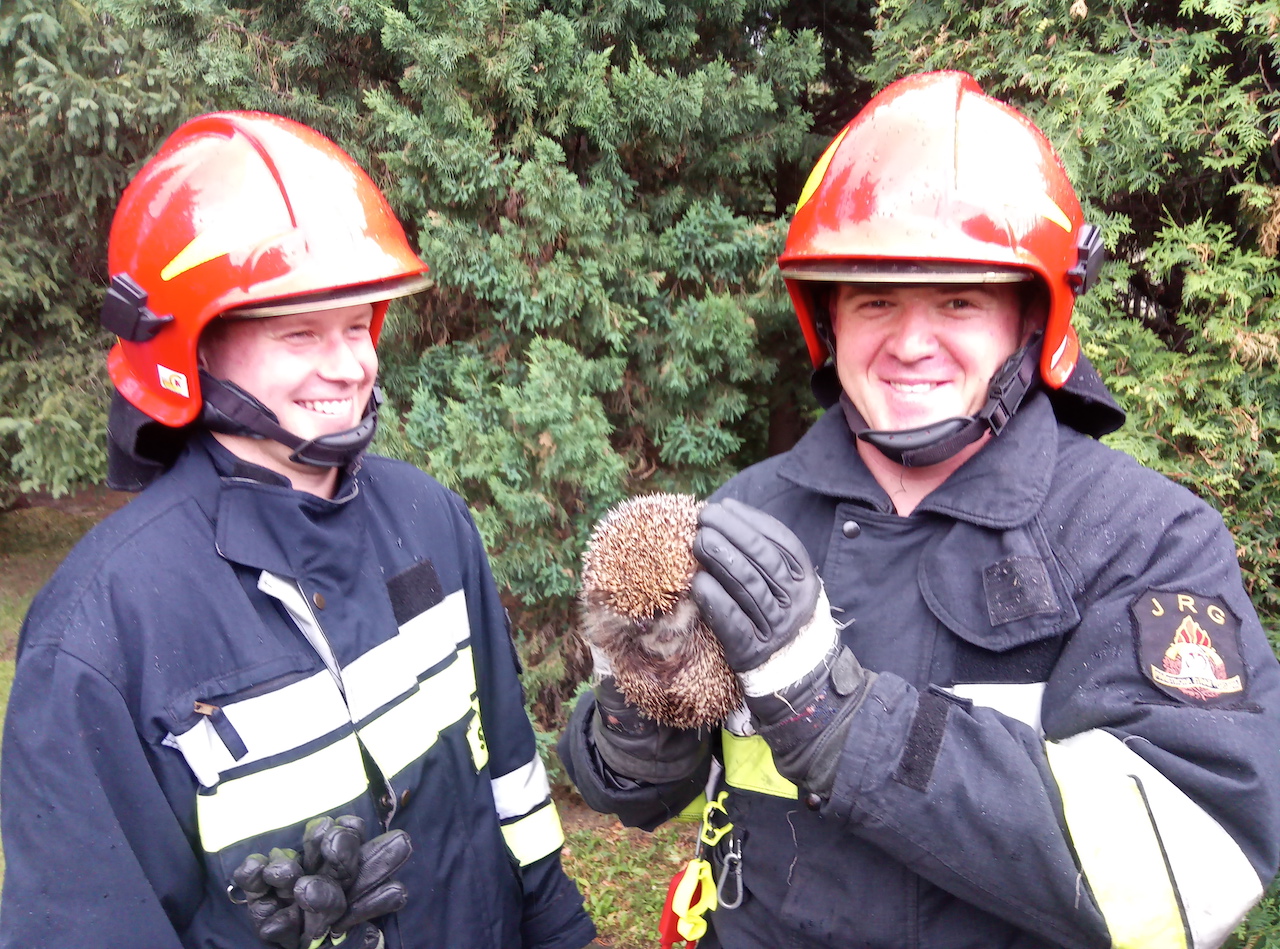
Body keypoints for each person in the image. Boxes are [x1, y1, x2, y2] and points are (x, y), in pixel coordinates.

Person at [561, 71, 1280, 948]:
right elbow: (625, 793)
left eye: (957, 299)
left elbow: (1193, 867)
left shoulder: (1143, 539)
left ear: (1030, 320)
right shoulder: (750, 510)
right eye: (874, 300)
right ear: (828, 320)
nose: (909, 341)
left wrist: (846, 722)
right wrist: (636, 717)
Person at [1, 111, 597, 949]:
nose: (350, 365)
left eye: (358, 325)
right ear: (191, 351)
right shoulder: (101, 634)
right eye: (300, 333)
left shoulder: (431, 519)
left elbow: (511, 780)